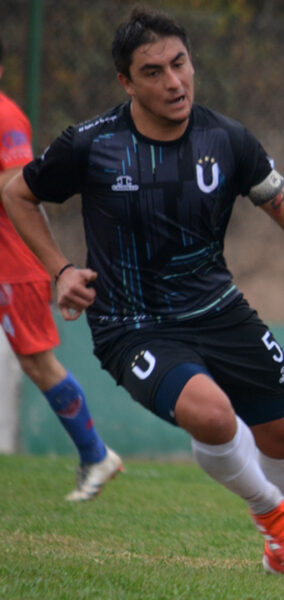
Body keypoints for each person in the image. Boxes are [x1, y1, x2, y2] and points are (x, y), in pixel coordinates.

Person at [2, 8, 284, 581]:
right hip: (131, 323)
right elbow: (16, 193)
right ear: (126, 81)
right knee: (212, 413)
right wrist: (59, 270)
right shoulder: (91, 144)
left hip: (218, 308)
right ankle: (279, 523)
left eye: (180, 64)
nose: (174, 82)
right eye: (153, 72)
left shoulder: (226, 139)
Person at [0, 36, 123, 501]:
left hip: (13, 262)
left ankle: (96, 454)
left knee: (37, 363)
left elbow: (16, 186)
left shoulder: (7, 118)